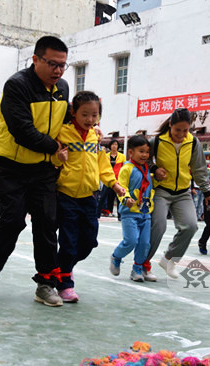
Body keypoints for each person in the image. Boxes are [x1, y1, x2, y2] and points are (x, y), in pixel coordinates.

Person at [0, 36, 70, 307]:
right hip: (10, 166)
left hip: (43, 168)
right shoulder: (17, 85)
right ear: (36, 59)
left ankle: (46, 283)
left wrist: (87, 129)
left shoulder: (62, 88)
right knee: (13, 219)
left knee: (46, 224)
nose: (58, 71)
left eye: (63, 65)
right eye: (53, 64)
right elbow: (22, 131)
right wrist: (55, 147)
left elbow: (67, 121)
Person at [54, 91, 125, 301]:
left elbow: (101, 165)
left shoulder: (95, 136)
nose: (90, 120)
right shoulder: (61, 132)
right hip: (66, 195)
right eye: (85, 114)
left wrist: (114, 183)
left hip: (90, 197)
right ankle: (65, 283)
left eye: (94, 115)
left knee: (88, 242)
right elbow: (53, 159)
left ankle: (63, 268)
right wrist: (57, 158)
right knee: (68, 241)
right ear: (73, 113)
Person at [145, 108, 210, 279]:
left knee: (190, 226)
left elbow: (199, 169)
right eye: (178, 130)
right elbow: (145, 160)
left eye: (186, 130)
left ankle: (169, 259)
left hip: (183, 192)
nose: (182, 134)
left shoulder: (193, 143)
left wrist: (206, 192)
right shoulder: (157, 141)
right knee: (158, 226)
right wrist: (155, 168)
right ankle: (142, 265)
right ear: (170, 125)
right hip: (161, 190)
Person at [109, 135, 154, 281]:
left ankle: (137, 269)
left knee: (145, 243)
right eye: (141, 151)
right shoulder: (126, 168)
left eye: (147, 152)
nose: (145, 155)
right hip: (129, 213)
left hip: (145, 213)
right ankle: (116, 256)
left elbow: (149, 186)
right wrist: (125, 198)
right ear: (131, 152)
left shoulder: (147, 169)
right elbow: (122, 186)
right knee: (131, 240)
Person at [97, 139, 126, 218]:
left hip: (118, 179)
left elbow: (124, 167)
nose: (114, 146)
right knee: (103, 197)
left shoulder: (122, 156)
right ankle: (98, 214)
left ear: (118, 146)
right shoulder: (106, 155)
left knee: (119, 197)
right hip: (108, 179)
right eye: (112, 144)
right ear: (110, 146)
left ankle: (120, 215)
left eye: (116, 144)